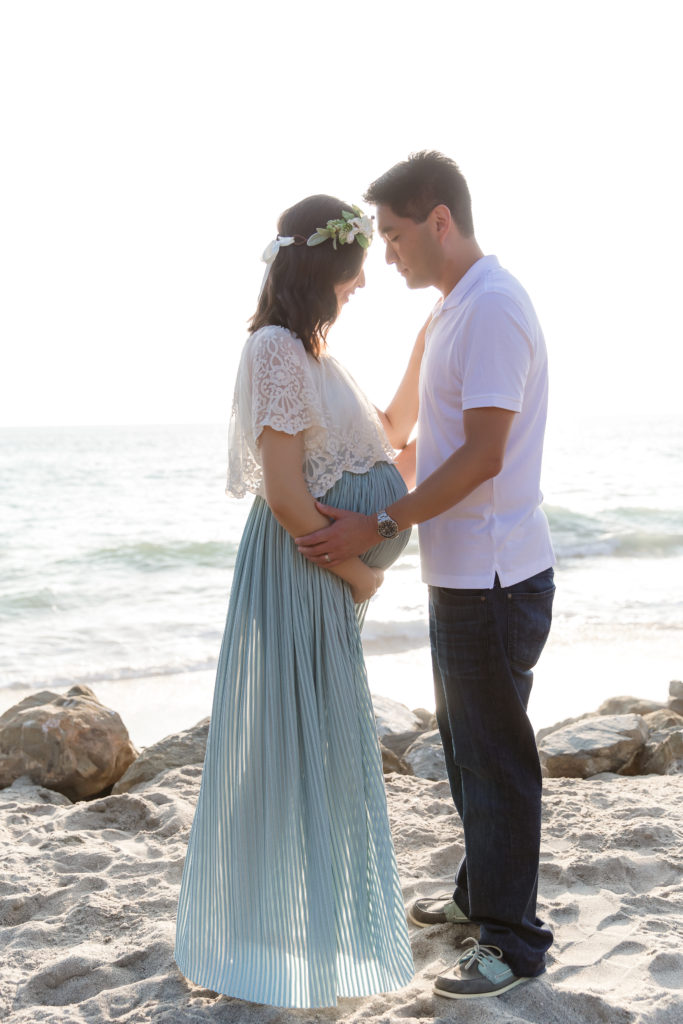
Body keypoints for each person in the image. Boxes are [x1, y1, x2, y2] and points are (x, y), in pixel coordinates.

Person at [295, 152, 556, 1000]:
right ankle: (480, 896)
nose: (387, 254)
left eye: (396, 235)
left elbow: (481, 457)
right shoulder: (446, 314)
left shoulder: (493, 309)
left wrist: (379, 524)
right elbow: (398, 431)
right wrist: (305, 380)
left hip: (496, 578)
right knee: (466, 751)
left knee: (496, 760)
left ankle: (513, 944)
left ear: (439, 220)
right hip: (458, 576)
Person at [174, 195, 414, 1009]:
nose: (361, 286)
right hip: (305, 571)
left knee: (319, 754)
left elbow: (387, 433)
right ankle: (269, 946)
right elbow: (283, 494)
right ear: (322, 268)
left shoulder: (313, 351)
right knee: (293, 754)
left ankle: (306, 939)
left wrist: (428, 347)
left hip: (319, 573)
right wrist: (360, 576)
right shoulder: (276, 349)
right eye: (353, 273)